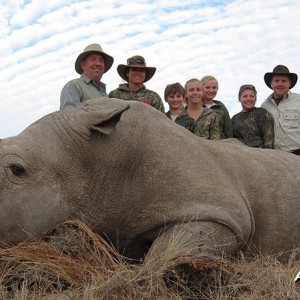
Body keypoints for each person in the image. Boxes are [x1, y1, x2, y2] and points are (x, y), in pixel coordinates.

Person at [60, 43, 114, 109]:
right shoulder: (74, 86)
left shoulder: (105, 94)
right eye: (93, 59)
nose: (98, 63)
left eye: (101, 60)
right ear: (82, 65)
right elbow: (68, 116)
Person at [261, 65, 300, 155]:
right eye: (277, 80)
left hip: (297, 156)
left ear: (289, 83)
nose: (280, 84)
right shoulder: (264, 106)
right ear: (271, 83)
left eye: (284, 81)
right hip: (274, 157)